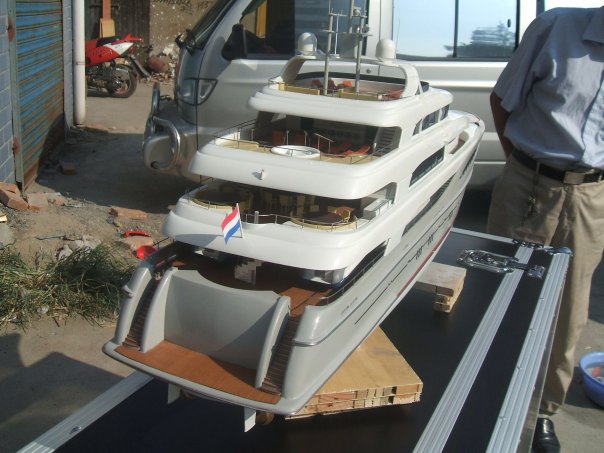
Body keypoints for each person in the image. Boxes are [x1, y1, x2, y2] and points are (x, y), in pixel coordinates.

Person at [487, 6, 604, 453]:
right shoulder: (557, 27)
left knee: (569, 312)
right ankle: (488, 396)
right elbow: (502, 100)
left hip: (591, 198)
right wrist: (524, 166)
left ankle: (541, 414)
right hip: (529, 184)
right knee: (503, 294)